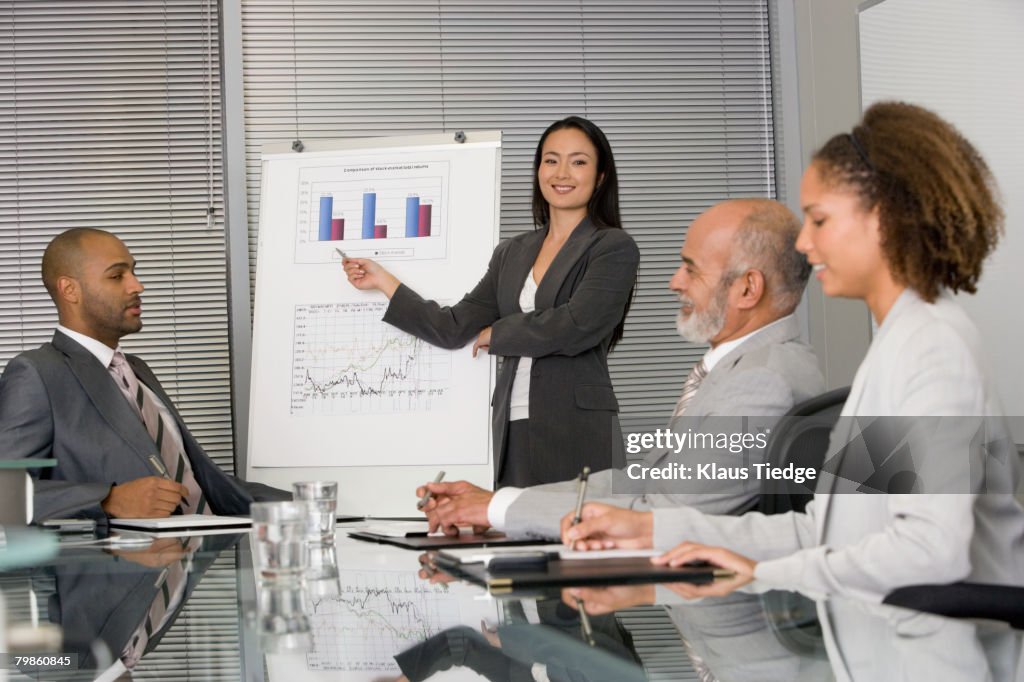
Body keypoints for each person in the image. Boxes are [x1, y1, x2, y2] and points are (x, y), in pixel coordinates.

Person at [561, 102, 1024, 602]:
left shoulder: (934, 347)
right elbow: (828, 532)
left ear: (884, 220)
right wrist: (654, 532)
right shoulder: (898, 343)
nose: (804, 243)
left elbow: (932, 553)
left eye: (819, 220)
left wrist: (768, 575)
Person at [417, 198, 824, 538]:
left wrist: (499, 511)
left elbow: (663, 515)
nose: (674, 282)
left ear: (748, 288)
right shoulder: (752, 366)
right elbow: (643, 480)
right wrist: (500, 504)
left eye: (691, 268)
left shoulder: (760, 383)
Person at [344, 116, 640, 487]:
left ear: (599, 177)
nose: (562, 172)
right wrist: (384, 281)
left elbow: (577, 326)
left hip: (577, 426)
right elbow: (452, 328)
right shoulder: (512, 253)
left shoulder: (612, 247)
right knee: (515, 535)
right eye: (551, 160)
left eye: (578, 161)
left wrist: (497, 334)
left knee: (576, 537)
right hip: (512, 425)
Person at [0, 228, 288, 522]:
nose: (137, 286)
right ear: (70, 290)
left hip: (206, 554)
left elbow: (202, 483)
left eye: (133, 272)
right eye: (117, 276)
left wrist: (314, 503)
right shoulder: (37, 372)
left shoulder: (136, 369)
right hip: (130, 563)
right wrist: (108, 499)